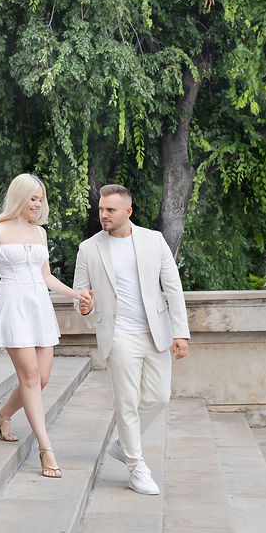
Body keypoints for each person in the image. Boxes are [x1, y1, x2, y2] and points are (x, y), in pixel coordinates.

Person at [0, 174, 93, 478]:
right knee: (29, 376)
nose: (38, 204)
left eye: (41, 199)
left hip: (40, 307)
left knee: (42, 379)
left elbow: (46, 277)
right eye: (33, 198)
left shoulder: (40, 233)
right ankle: (45, 448)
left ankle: (2, 417)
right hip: (13, 307)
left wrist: (75, 293)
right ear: (19, 197)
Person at [73, 184, 189, 495]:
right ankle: (136, 466)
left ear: (128, 211)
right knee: (126, 401)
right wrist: (84, 305)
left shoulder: (154, 240)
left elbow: (173, 287)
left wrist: (180, 332)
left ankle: (122, 444)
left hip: (155, 332)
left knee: (159, 397)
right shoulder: (89, 248)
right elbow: (80, 293)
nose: (103, 215)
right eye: (101, 209)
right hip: (118, 334)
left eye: (110, 210)